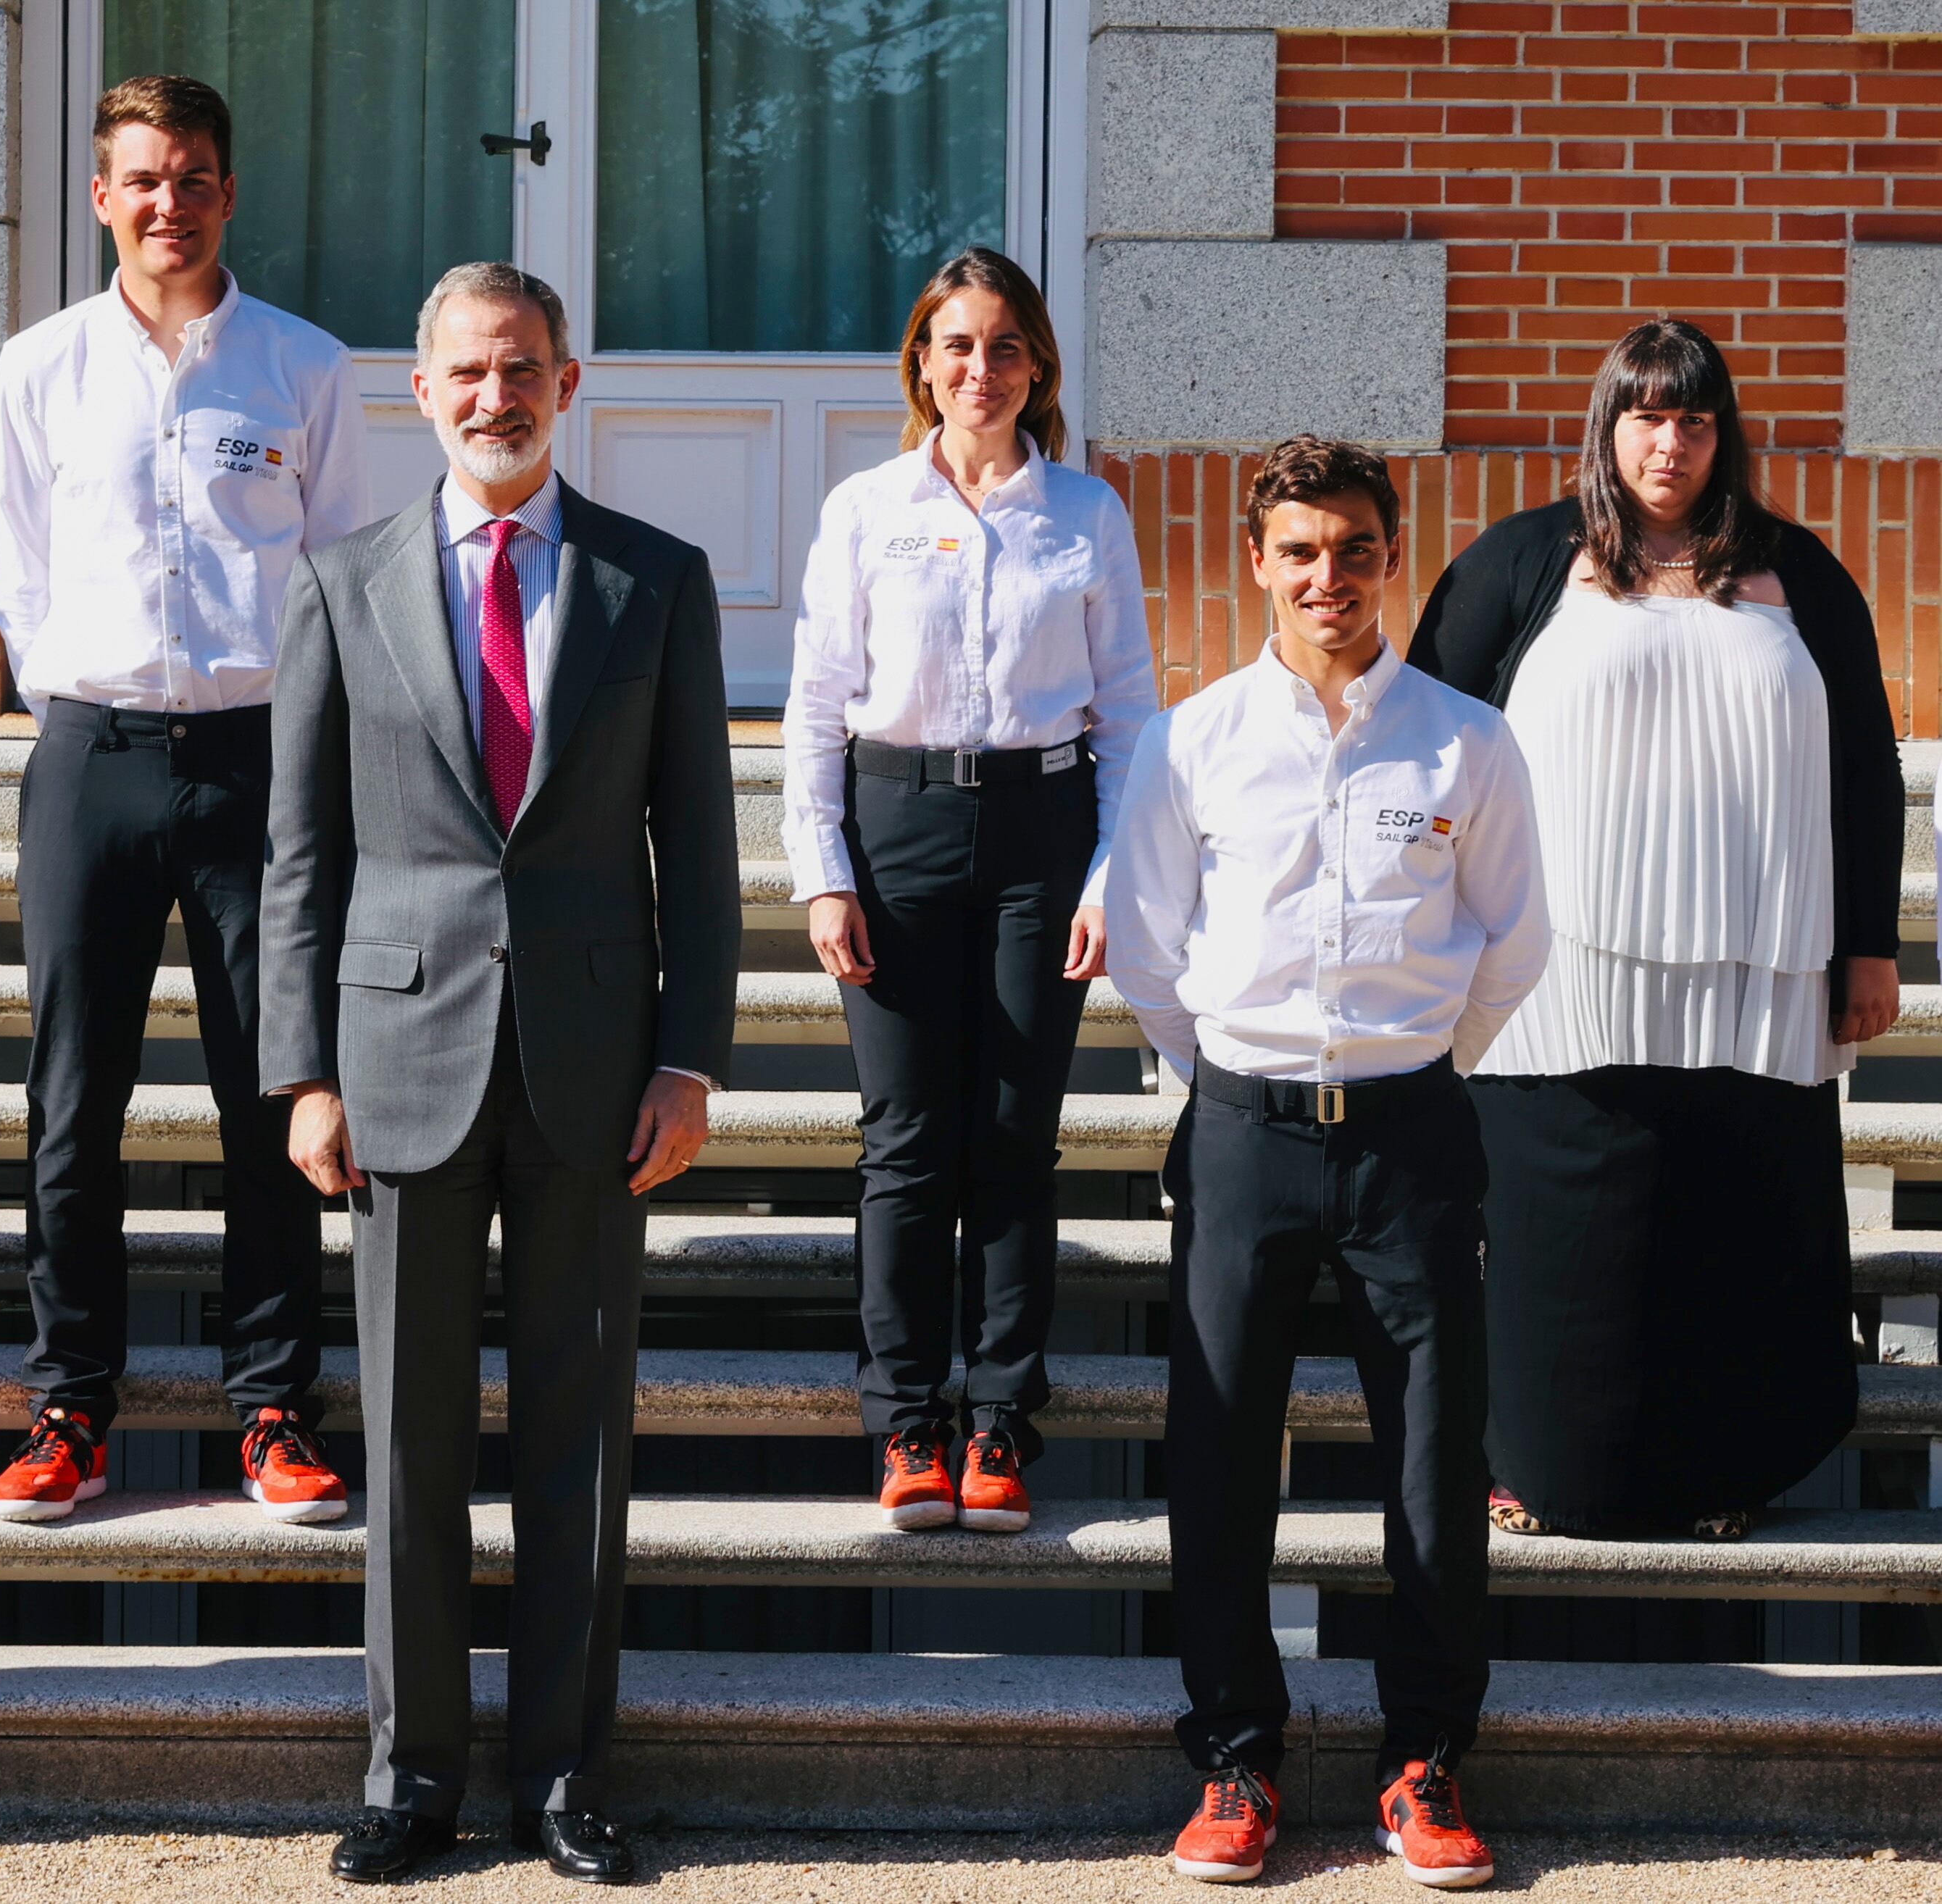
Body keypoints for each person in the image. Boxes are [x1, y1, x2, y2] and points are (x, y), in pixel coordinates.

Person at [263, 262, 739, 1887]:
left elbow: (703, 845)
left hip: (599, 1072)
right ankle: (412, 1779)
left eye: (522, 367)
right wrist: (299, 1075)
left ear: (567, 381)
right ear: (421, 390)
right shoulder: (342, 581)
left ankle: (567, 1781)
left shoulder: (655, 580)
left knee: (576, 1447)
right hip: (398, 1059)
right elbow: (299, 858)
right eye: (466, 370)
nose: (495, 395)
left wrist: (690, 1057)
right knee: (406, 1451)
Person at [1106, 438, 1547, 1890]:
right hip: (1242, 1134)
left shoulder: (1464, 743)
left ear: (1389, 557)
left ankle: (1425, 1761)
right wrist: (1236, 1074)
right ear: (1259, 565)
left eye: (1355, 549)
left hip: (1412, 1139)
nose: (1328, 577)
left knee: (1431, 1463)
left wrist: (1416, 1066)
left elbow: (1513, 940)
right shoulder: (1193, 739)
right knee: (1223, 1459)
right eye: (1300, 551)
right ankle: (1237, 1761)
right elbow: (1157, 952)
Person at [1409, 319, 1904, 1542]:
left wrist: (1869, 945)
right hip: (1557, 979)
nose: (1668, 443)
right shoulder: (1523, 561)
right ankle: (1532, 1466)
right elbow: (1426, 745)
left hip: (1757, 972)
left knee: (1731, 1233)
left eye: (1692, 418)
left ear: (1721, 432)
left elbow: (1864, 767)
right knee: (1553, 1241)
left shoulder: (1799, 572)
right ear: (1606, 427)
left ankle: (1724, 1474)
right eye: (1645, 415)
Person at [0, 72, 369, 1525]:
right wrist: (75, 698)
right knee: (72, 1099)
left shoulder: (305, 369)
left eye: (193, 176)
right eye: (141, 179)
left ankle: (273, 1404)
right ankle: (68, 1403)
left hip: (257, 762)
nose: (167, 202)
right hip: (94, 757)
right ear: (101, 197)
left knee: (273, 1089)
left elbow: (337, 584)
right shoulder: (40, 368)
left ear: (225, 191)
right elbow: (20, 570)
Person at [783, 245, 1154, 1535]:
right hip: (896, 829)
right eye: (955, 345)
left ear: (1036, 364)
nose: (979, 369)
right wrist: (822, 877)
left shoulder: (1086, 515)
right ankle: (904, 1430)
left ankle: (998, 1418)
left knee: (1009, 1138)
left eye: (1003, 346)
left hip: (1040, 834)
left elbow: (1131, 719)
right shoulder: (863, 509)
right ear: (921, 364)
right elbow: (817, 705)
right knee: (903, 1145)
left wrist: (1111, 875)